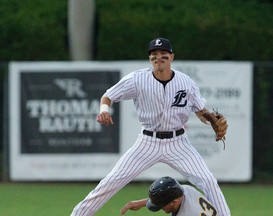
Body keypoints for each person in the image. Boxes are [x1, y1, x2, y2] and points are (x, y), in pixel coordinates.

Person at [70, 37, 230, 216]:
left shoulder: (186, 82)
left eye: (163, 54)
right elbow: (108, 96)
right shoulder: (137, 79)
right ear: (150, 59)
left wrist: (210, 120)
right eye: (154, 55)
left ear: (171, 57)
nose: (158, 58)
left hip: (178, 143)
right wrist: (104, 110)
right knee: (110, 183)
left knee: (208, 181)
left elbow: (201, 112)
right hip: (147, 142)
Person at [120, 176, 218, 216]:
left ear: (175, 201)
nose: (161, 207)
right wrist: (143, 203)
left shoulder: (187, 213)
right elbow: (166, 197)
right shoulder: (185, 190)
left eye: (162, 205)